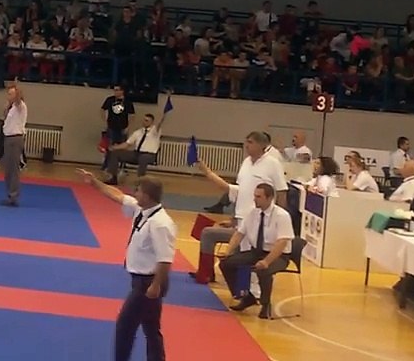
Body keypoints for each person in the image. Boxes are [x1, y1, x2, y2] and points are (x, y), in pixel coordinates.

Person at [77, 170, 174, 361]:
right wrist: (94, 182)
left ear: (147, 195)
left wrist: (156, 285)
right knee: (151, 327)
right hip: (141, 280)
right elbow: (118, 196)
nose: (135, 194)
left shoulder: (160, 223)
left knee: (125, 325)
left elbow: (165, 259)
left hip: (149, 282)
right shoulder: (141, 210)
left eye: (138, 191)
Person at [193, 131, 288, 284]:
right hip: (241, 222)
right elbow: (239, 192)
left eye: (250, 142)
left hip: (259, 223)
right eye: (246, 141)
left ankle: (248, 286)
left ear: (261, 145)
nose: (246, 145)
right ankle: (207, 274)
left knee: (245, 257)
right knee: (208, 234)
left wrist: (277, 219)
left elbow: (282, 191)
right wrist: (233, 219)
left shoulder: (273, 163)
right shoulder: (246, 163)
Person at [219, 183, 294, 319]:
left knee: (263, 270)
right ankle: (245, 296)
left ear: (269, 198)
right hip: (256, 252)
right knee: (226, 263)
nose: (254, 199)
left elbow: (282, 243)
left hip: (278, 255)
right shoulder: (252, 212)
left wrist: (266, 261)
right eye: (254, 196)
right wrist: (228, 251)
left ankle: (265, 304)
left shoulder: (282, 216)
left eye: (258, 197)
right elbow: (239, 234)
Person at [102, 112, 164, 183]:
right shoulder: (138, 132)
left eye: (147, 120)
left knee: (143, 158)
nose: (144, 122)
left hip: (149, 155)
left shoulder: (155, 131)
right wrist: (114, 148)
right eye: (144, 120)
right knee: (115, 153)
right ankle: (113, 177)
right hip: (136, 153)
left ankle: (141, 181)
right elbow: (127, 144)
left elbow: (160, 123)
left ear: (152, 122)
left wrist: (164, 115)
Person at [0, 83, 28, 207]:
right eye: (8, 93)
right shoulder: (11, 108)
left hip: (15, 139)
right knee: (8, 169)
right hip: (8, 138)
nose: (9, 96)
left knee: (13, 169)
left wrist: (17, 89)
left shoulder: (20, 106)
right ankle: (10, 194)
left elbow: (18, 100)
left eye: (11, 94)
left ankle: (13, 196)